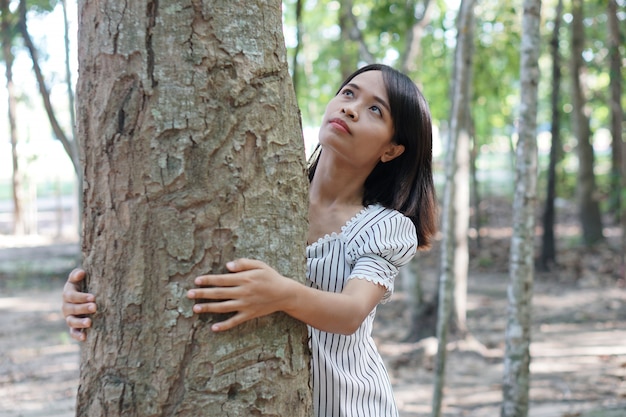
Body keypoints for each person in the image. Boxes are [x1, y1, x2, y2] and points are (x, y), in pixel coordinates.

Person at [62, 63, 437, 417]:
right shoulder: (260, 192)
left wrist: (281, 293)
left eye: (376, 110)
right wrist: (97, 296)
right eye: (348, 93)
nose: (351, 109)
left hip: (352, 406)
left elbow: (352, 313)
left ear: (392, 149)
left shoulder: (383, 226)